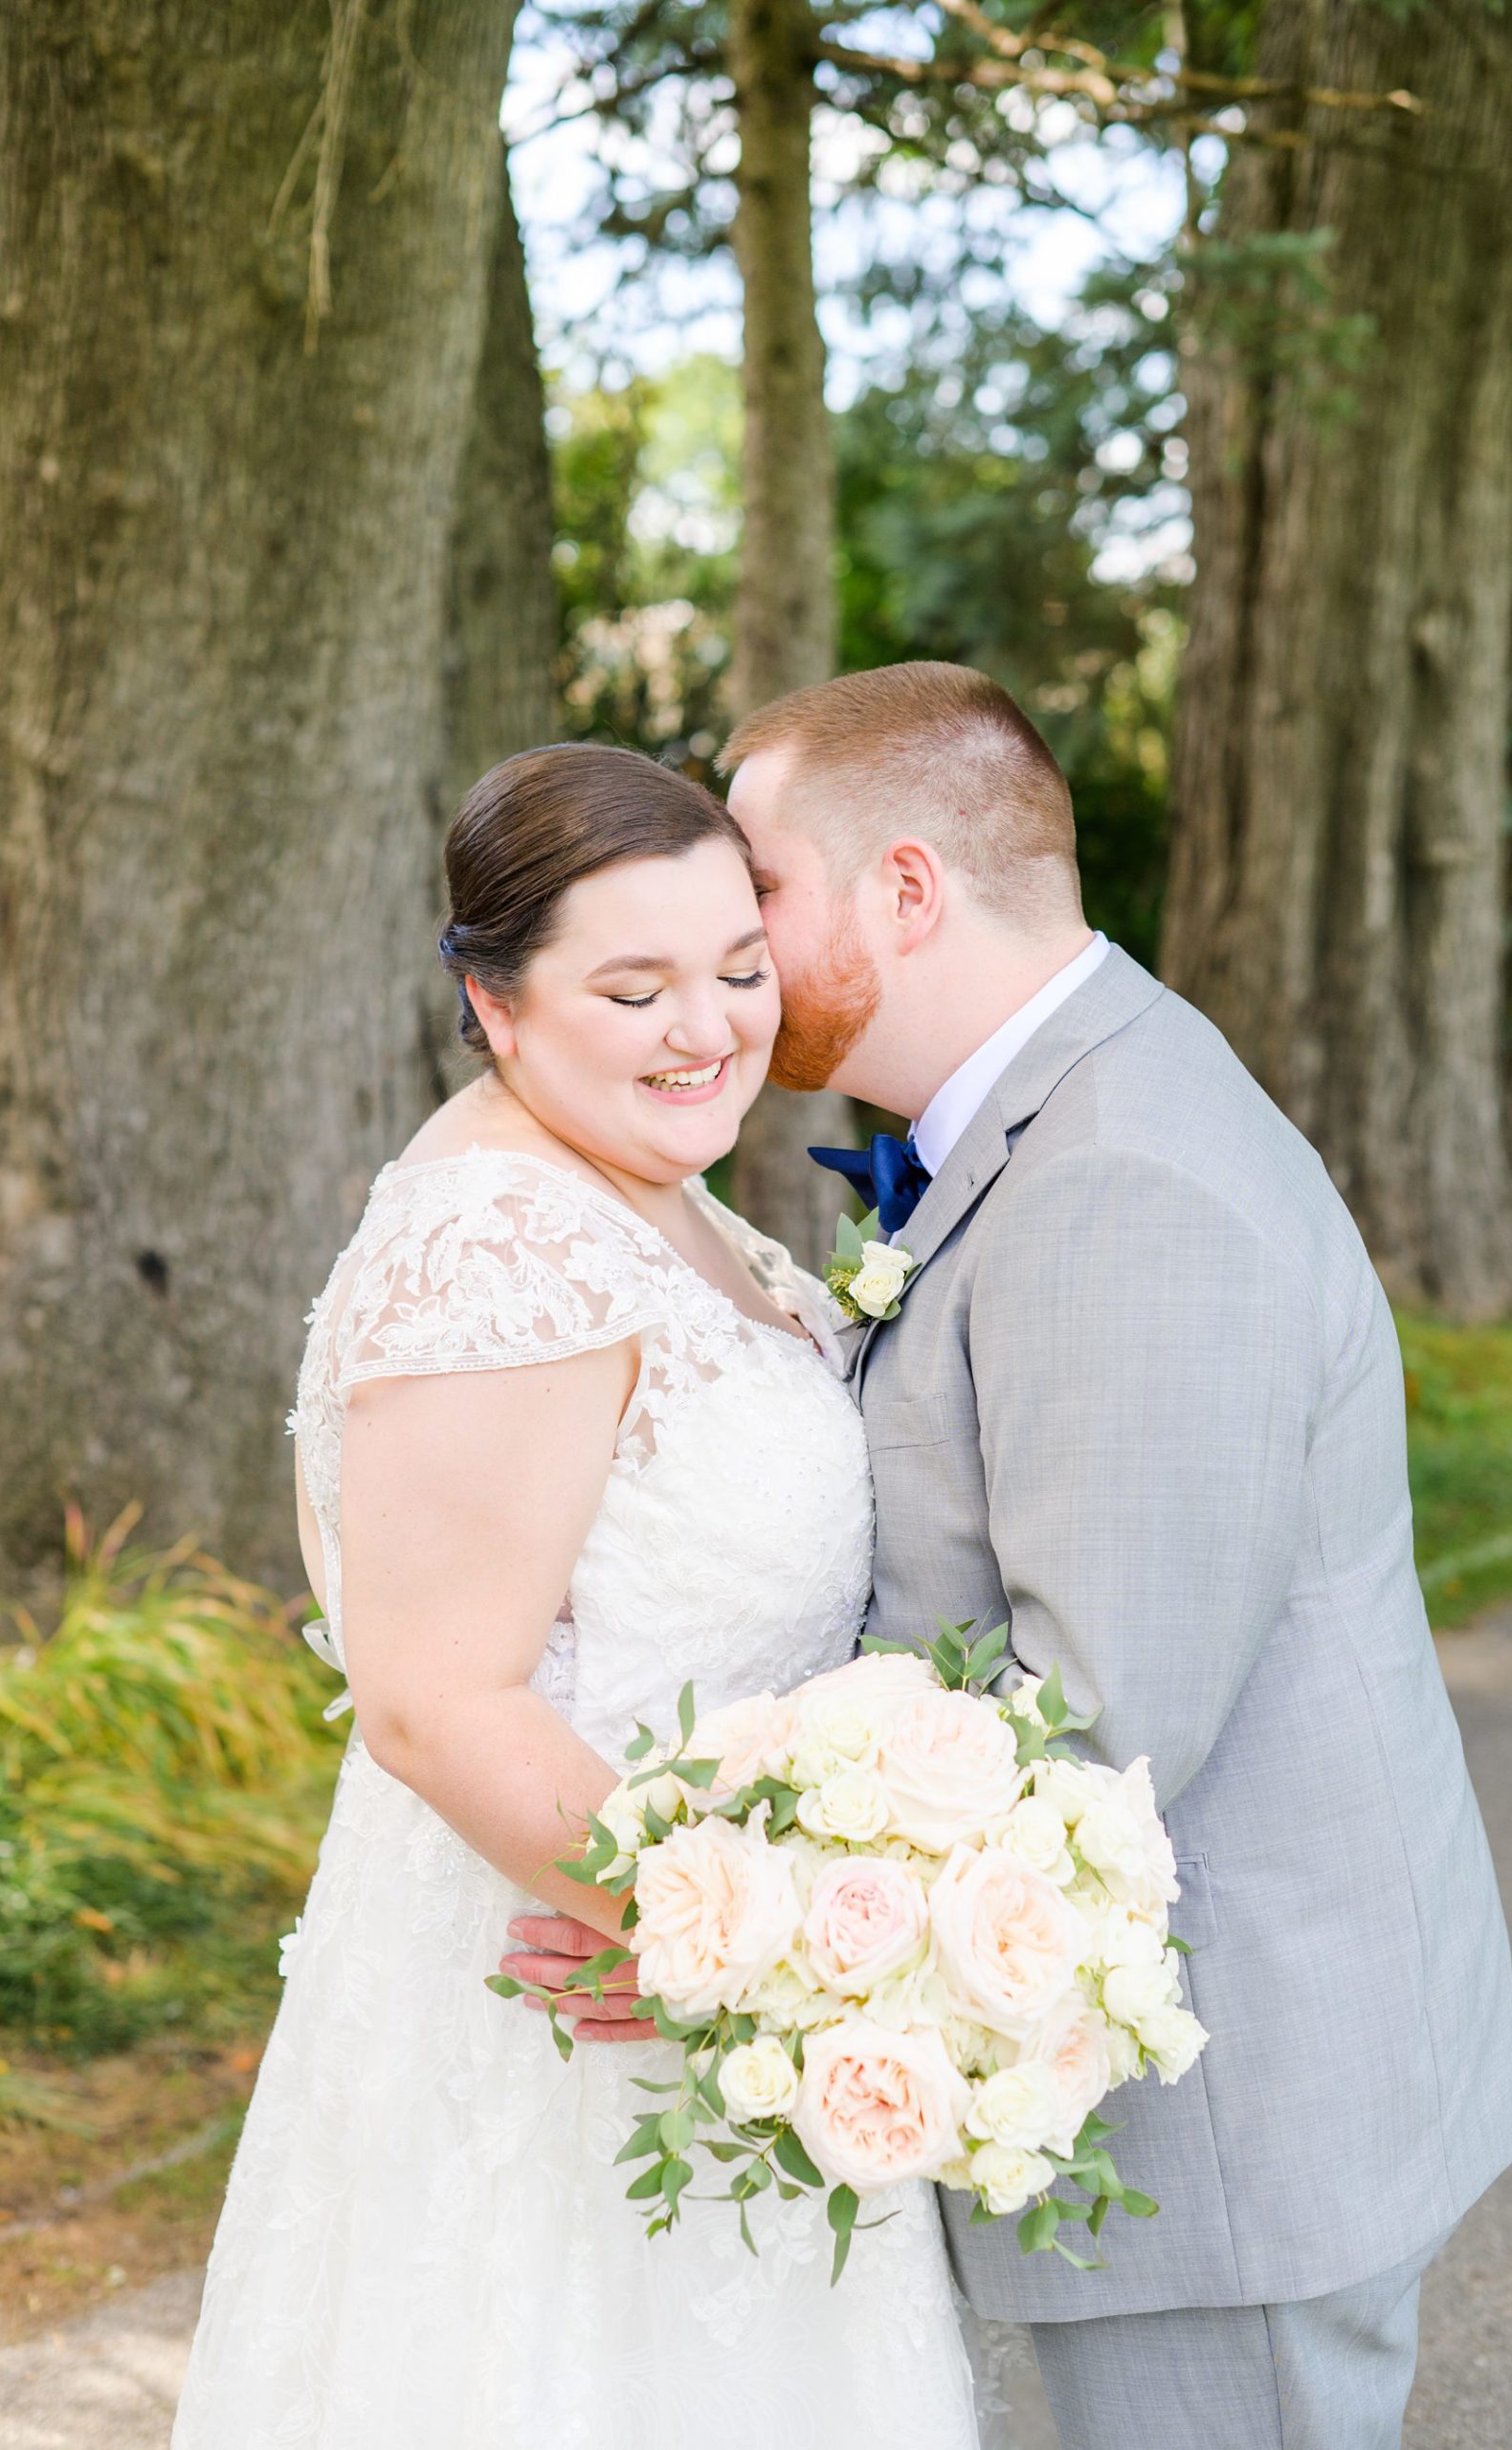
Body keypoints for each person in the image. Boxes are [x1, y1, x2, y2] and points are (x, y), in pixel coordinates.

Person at [518, 663, 1512, 2450]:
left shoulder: (1125, 1181)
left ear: (906, 891)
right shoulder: (1056, 1118)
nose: (725, 937)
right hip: (1202, 2095)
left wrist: (721, 1929)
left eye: (759, 888)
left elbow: (1092, 1723)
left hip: (1231, 2132)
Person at [170, 744, 987, 2449]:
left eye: (741, 971)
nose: (711, 1029)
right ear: (496, 1002)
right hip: (577, 2016)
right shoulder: (500, 1246)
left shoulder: (651, 1195)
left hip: (699, 2007)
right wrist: (729, 1951)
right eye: (635, 987)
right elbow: (433, 1700)